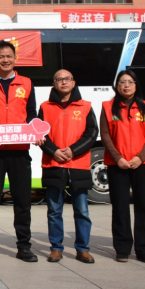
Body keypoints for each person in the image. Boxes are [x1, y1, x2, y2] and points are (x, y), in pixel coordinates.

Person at [0, 40, 40, 263]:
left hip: (20, 151)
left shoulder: (26, 83)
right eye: (1, 57)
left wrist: (34, 130)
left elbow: (31, 113)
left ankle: (24, 246)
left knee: (22, 201)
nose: (5, 60)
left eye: (9, 56)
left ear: (15, 59)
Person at [37, 69, 98, 264]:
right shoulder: (45, 107)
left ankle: (83, 249)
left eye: (67, 79)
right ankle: (56, 248)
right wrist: (54, 151)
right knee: (54, 210)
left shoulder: (86, 106)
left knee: (82, 211)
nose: (63, 82)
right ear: (54, 84)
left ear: (73, 82)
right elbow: (39, 135)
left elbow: (91, 133)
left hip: (78, 164)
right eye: (59, 79)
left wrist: (73, 151)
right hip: (53, 163)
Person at [101, 70, 145, 263]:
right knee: (120, 206)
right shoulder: (108, 107)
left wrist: (140, 157)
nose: (126, 85)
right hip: (118, 164)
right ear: (117, 86)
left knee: (143, 207)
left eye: (130, 82)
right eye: (122, 82)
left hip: (142, 164)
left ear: (135, 85)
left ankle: (144, 249)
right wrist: (118, 158)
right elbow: (105, 135)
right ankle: (122, 248)